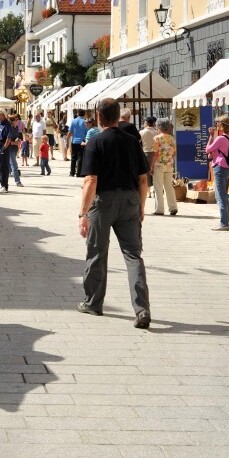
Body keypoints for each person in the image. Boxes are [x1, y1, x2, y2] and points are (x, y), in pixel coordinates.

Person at [77, 97, 151, 329]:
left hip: (104, 200)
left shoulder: (96, 142)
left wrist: (83, 213)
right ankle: (141, 309)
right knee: (133, 256)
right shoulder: (132, 141)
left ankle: (93, 303)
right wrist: (141, 206)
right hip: (129, 199)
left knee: (97, 252)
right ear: (118, 115)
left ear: (99, 116)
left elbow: (90, 180)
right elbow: (142, 180)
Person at [206, 116, 229, 232]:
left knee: (221, 196)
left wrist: (210, 136)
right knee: (222, 195)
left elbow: (208, 149)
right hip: (227, 168)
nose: (216, 124)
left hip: (219, 168)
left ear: (222, 125)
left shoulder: (220, 138)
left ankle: (224, 223)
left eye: (217, 123)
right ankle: (224, 222)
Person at [152, 119, 179, 217]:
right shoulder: (172, 138)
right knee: (169, 187)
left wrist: (151, 165)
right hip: (169, 165)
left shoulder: (156, 138)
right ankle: (173, 207)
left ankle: (160, 209)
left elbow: (155, 153)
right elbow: (175, 153)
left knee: (158, 187)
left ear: (159, 127)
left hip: (159, 164)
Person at [68, 109, 90, 176]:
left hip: (74, 141)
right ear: (84, 114)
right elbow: (87, 132)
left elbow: (70, 132)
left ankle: (72, 172)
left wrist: (67, 140)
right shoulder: (85, 122)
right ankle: (79, 172)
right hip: (82, 141)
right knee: (81, 157)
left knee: (73, 157)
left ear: (77, 113)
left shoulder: (73, 121)